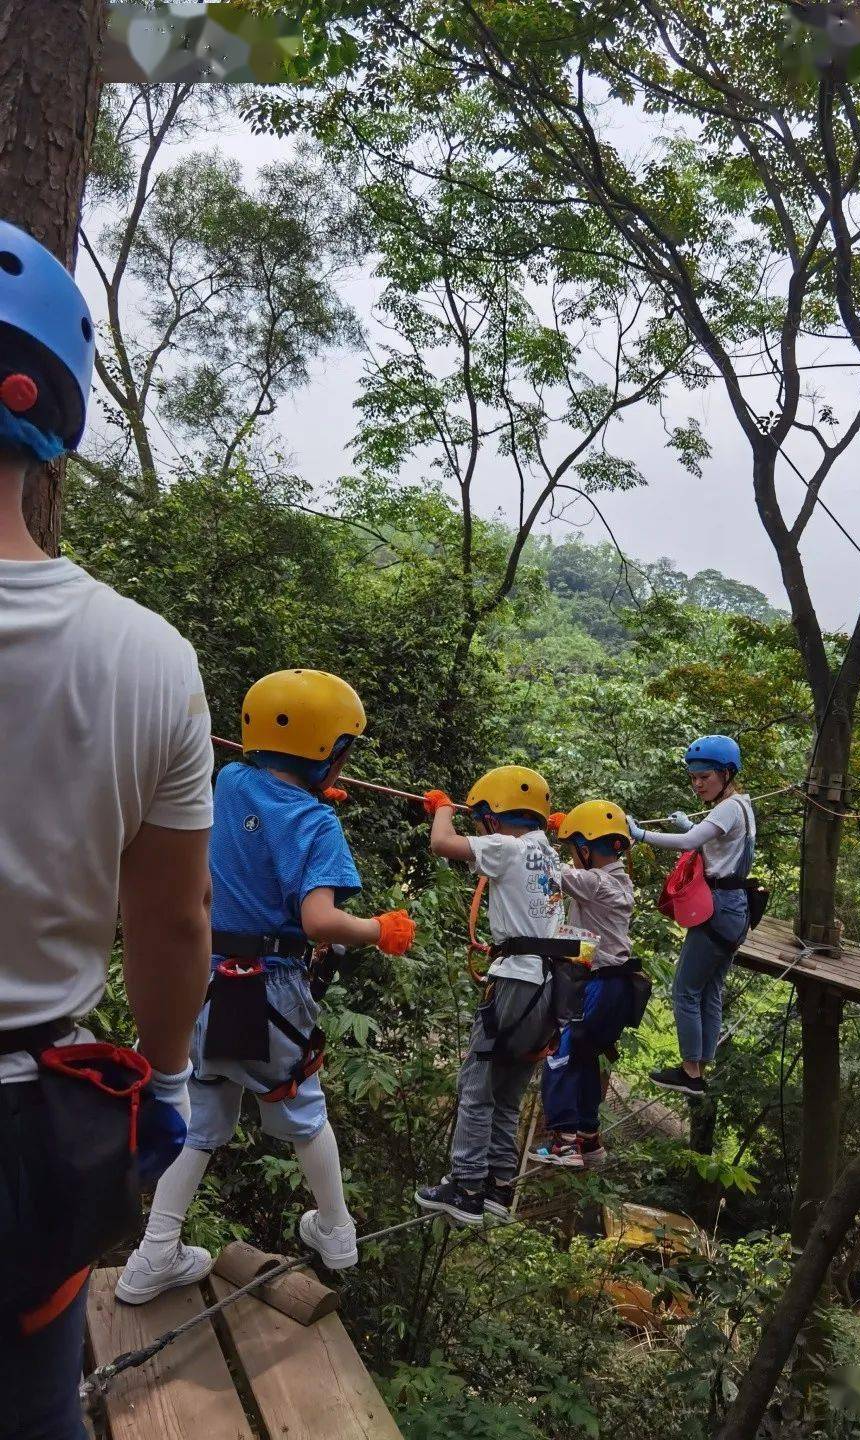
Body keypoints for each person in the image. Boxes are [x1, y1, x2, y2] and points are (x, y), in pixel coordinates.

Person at [0, 220, 214, 1438]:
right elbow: (170, 922)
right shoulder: (147, 658)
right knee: (33, 1402)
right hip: (32, 1120)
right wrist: (168, 1080)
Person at [117, 669, 416, 1301]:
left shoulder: (231, 780)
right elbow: (319, 921)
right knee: (302, 1107)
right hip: (271, 992)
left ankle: (153, 1256)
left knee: (199, 1116)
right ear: (332, 754)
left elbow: (255, 812)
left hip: (204, 982)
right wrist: (376, 929)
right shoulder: (316, 826)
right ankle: (336, 1231)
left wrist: (304, 800)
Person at [415, 766, 565, 1226]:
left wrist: (442, 809)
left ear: (494, 817)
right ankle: (499, 1184)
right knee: (507, 1090)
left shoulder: (507, 847)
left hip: (516, 980)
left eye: (482, 818)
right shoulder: (552, 857)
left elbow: (443, 843)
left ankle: (467, 1185)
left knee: (476, 1085)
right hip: (550, 988)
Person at [628, 735, 755, 1098]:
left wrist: (641, 834)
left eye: (705, 777)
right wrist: (689, 825)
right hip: (736, 909)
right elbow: (714, 843)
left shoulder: (727, 808)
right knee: (709, 988)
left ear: (727, 774)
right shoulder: (742, 805)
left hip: (719, 908)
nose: (698, 783)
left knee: (684, 988)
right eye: (693, 777)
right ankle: (701, 1063)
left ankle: (690, 1072)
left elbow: (690, 845)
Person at [530, 801, 646, 1170]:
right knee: (583, 1054)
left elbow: (549, 870)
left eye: (574, 849)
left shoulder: (594, 881)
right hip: (614, 988)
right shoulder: (615, 881)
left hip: (602, 986)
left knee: (561, 1053)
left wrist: (541, 836)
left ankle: (565, 1140)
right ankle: (589, 1137)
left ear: (585, 849)